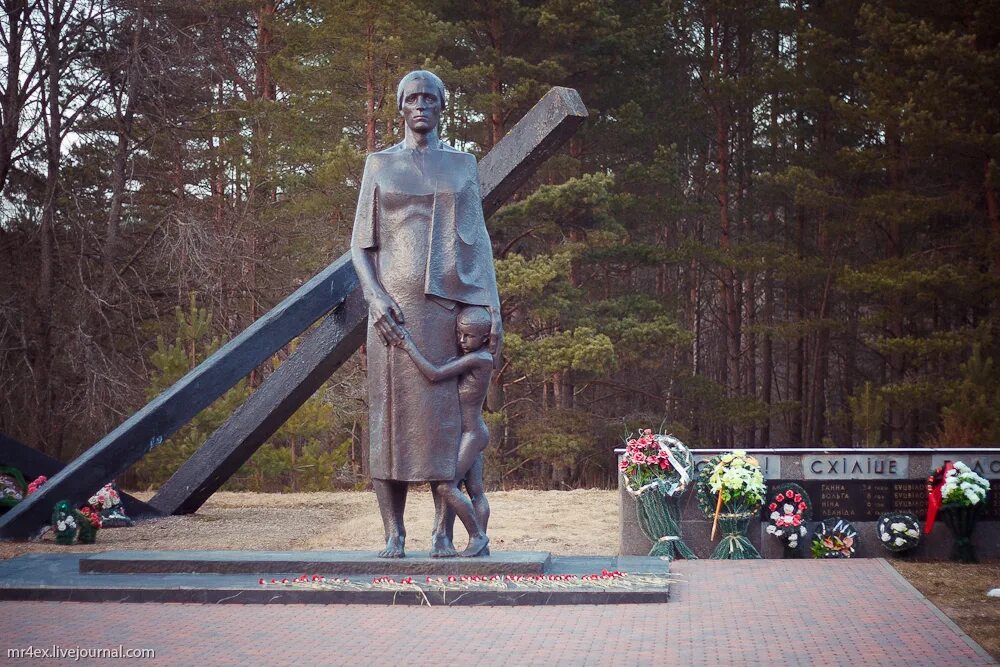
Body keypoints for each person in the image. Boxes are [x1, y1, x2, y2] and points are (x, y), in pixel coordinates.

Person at [350, 70, 501, 558]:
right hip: (392, 314)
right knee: (388, 427)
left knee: (446, 425)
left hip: (445, 314)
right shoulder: (379, 164)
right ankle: (394, 532)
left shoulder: (461, 165)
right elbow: (360, 245)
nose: (421, 106)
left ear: (442, 106)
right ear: (399, 108)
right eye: (411, 99)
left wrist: (488, 309)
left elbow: (478, 244)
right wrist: (374, 298)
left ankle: (444, 533)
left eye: (429, 98)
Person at [397, 305, 494, 557]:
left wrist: (408, 346)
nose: (462, 341)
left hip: (471, 434)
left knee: (445, 486)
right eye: (459, 334)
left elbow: (435, 373)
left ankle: (477, 536)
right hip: (472, 432)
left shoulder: (480, 358)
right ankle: (480, 548)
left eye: (469, 336)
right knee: (475, 491)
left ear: (484, 337)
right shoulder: (474, 355)